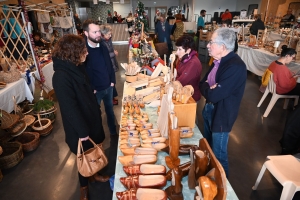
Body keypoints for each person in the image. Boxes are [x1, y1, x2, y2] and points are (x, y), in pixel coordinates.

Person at [52, 34, 109, 200]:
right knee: (83, 156)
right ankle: (84, 187)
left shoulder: (76, 66)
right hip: (79, 126)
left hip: (91, 117)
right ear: (73, 52)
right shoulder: (61, 76)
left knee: (94, 150)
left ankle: (94, 174)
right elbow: (69, 108)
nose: (87, 52)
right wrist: (83, 132)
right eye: (83, 50)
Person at [199, 28, 247, 177]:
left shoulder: (235, 66)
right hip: (209, 109)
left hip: (222, 115)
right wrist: (209, 87)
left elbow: (215, 95)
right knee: (208, 147)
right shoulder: (218, 61)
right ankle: (210, 177)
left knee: (219, 156)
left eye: (211, 42)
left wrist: (210, 89)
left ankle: (222, 188)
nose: (208, 45)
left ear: (223, 47)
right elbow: (202, 83)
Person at [83, 19, 117, 136]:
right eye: (94, 32)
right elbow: (83, 72)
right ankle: (98, 138)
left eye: (98, 32)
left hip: (108, 87)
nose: (98, 35)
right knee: (95, 115)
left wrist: (112, 81)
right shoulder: (83, 50)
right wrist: (91, 87)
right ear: (86, 33)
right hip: (95, 90)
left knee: (110, 112)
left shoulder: (103, 46)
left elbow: (109, 65)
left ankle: (113, 133)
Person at [175, 35, 202, 102]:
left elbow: (180, 82)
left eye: (180, 49)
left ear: (188, 50)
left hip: (191, 98)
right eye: (177, 49)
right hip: (184, 94)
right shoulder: (185, 59)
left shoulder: (193, 63)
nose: (177, 52)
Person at [99, 25, 119, 105]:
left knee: (113, 82)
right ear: (103, 34)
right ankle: (110, 100)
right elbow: (104, 56)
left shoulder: (108, 40)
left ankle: (112, 98)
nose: (110, 36)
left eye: (110, 34)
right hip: (108, 65)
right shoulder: (102, 42)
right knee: (110, 83)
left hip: (112, 63)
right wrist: (113, 53)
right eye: (108, 34)